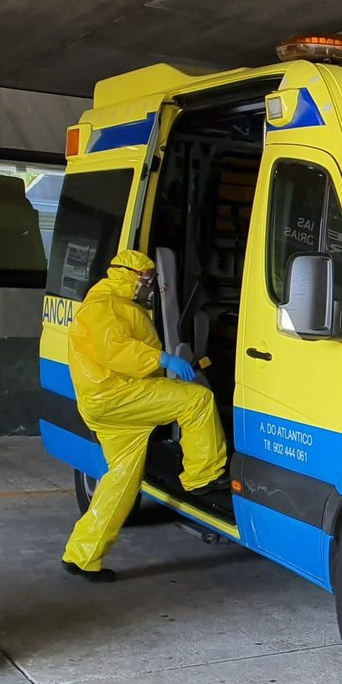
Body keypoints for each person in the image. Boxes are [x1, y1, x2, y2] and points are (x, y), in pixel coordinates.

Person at [60, 249, 229, 582]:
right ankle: (202, 476)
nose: (151, 286)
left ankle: (82, 555)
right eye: (147, 280)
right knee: (197, 400)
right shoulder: (105, 306)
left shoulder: (114, 302)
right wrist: (163, 361)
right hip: (118, 396)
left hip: (109, 401)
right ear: (129, 276)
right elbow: (116, 351)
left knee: (121, 479)